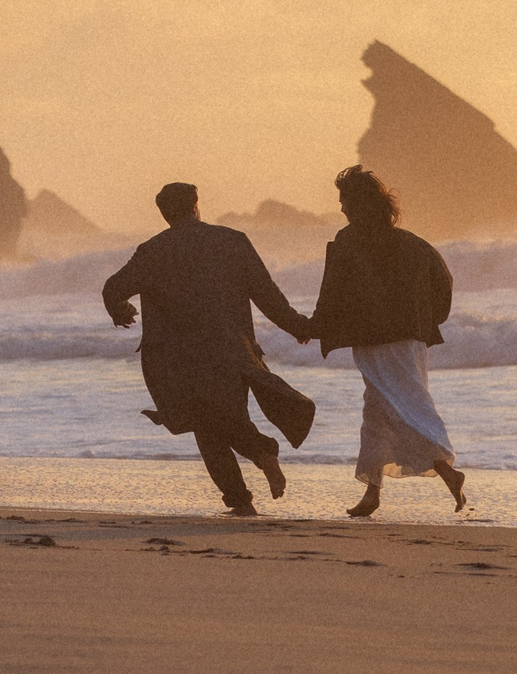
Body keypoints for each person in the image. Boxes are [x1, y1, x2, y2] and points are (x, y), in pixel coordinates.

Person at [102, 182, 316, 516]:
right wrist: (299, 327)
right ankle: (249, 482)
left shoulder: (152, 250)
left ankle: (252, 475)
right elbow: (267, 295)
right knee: (223, 419)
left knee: (207, 426)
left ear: (164, 213)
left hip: (179, 360)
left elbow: (113, 287)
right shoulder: (233, 240)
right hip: (233, 352)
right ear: (196, 205)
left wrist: (121, 312)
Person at [302, 165, 468, 516]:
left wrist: (314, 325)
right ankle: (372, 492)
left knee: (404, 405)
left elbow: (331, 291)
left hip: (375, 340)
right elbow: (444, 283)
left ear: (360, 203)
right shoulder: (412, 243)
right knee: (380, 409)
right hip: (410, 339)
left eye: (345, 200)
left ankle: (445, 468)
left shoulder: (349, 239)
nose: (342, 208)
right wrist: (427, 321)